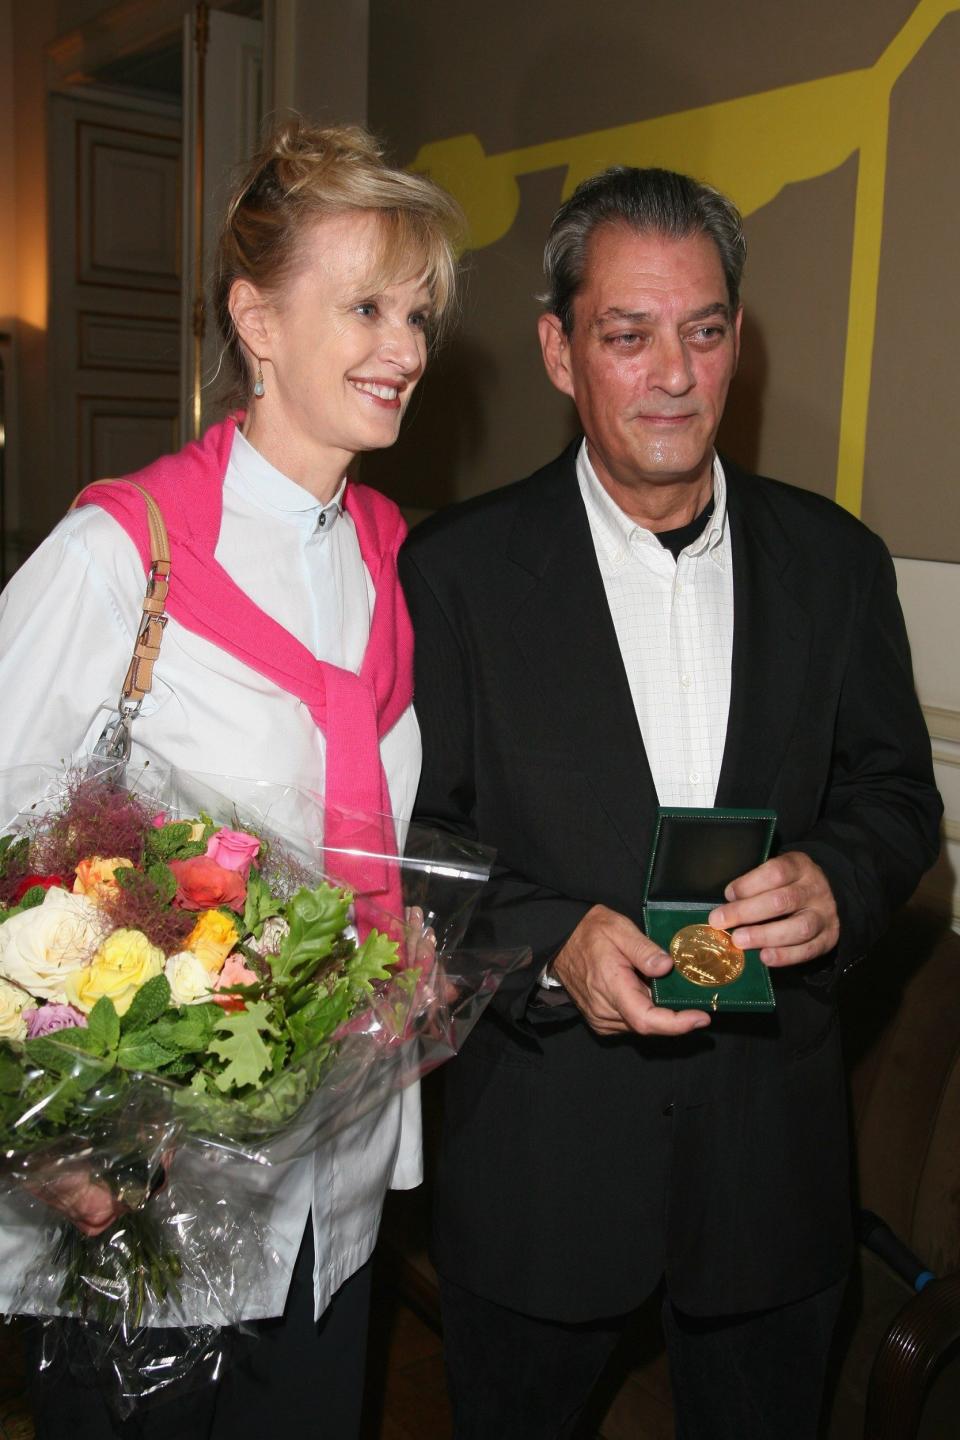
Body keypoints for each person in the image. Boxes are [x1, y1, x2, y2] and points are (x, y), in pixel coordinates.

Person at [398, 165, 942, 1439]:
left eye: (703, 331)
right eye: (627, 335)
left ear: (738, 342)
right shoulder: (455, 574)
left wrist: (840, 879)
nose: (673, 375)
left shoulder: (838, 563)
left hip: (772, 1172)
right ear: (557, 350)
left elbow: (897, 795)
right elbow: (415, 847)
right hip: (538, 1171)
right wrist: (549, 943)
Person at [0, 119, 461, 1438]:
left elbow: (368, 834)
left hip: (336, 1175)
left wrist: (410, 939)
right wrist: (47, 1142)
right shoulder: (119, 556)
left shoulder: (394, 562)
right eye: (367, 306)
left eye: (418, 312)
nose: (408, 349)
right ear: (257, 320)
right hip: (142, 1185)